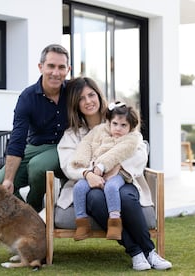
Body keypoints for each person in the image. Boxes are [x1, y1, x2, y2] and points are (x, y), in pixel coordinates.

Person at [57, 77, 172, 271]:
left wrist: (117, 166)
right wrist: (87, 174)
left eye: (91, 95)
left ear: (99, 96)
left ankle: (150, 252)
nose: (88, 101)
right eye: (81, 98)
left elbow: (139, 149)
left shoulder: (120, 119)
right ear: (75, 103)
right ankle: (136, 252)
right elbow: (69, 164)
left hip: (123, 179)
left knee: (125, 198)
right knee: (95, 199)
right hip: (89, 185)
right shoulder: (72, 134)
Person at [0, 44, 71, 212]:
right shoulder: (27, 97)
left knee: (38, 167)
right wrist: (9, 179)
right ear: (41, 67)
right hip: (36, 147)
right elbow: (17, 139)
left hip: (66, 147)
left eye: (61, 67)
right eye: (51, 66)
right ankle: (26, 214)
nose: (55, 72)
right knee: (0, 184)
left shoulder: (74, 91)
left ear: (68, 69)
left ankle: (33, 206)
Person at [70, 101, 142, 241]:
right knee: (79, 187)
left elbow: (116, 153)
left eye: (123, 125)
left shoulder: (131, 138)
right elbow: (86, 143)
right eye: (115, 124)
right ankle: (82, 223)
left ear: (131, 127)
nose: (118, 128)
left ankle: (115, 222)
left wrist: (101, 166)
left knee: (111, 186)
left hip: (117, 173)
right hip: (94, 171)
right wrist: (82, 161)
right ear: (109, 122)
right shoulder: (100, 131)